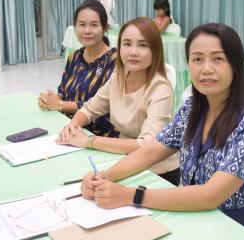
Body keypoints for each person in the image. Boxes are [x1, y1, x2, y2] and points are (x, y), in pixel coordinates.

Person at [79, 23, 244, 240]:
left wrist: (132, 196)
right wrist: (104, 176)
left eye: (218, 59)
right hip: (196, 220)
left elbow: (210, 196)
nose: (206, 68)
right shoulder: (192, 109)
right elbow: (150, 152)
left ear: (236, 65)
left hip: (241, 232)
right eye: (197, 59)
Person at [57, 17, 180, 185]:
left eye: (142, 45)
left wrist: (89, 141)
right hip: (123, 160)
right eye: (127, 44)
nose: (133, 52)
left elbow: (146, 145)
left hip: (156, 171)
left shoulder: (160, 89)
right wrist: (73, 125)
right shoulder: (118, 76)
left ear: (155, 49)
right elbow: (90, 109)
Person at [38, 0, 118, 137]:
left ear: (105, 27)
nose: (87, 31)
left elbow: (101, 105)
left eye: (94, 25)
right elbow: (62, 91)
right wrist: (50, 99)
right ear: (75, 27)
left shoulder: (114, 60)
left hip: (98, 134)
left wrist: (59, 104)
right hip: (69, 127)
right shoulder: (74, 57)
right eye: (82, 25)